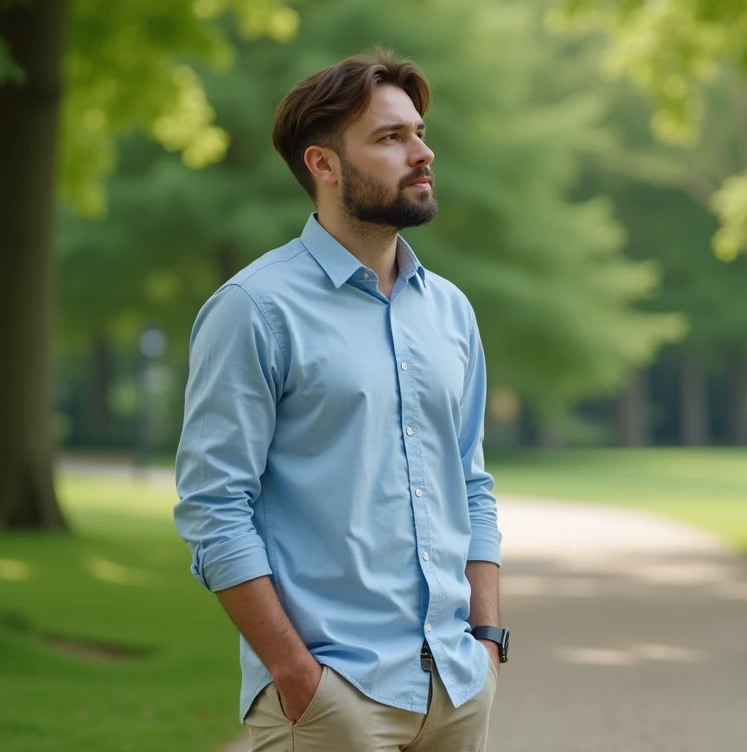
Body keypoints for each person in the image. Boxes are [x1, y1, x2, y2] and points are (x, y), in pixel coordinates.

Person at [173, 49, 509, 752]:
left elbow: (472, 484)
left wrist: (486, 639)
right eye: (391, 138)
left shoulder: (450, 311)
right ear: (323, 165)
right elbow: (213, 509)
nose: (423, 152)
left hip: (454, 688)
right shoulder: (254, 309)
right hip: (332, 701)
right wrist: (298, 675)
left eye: (418, 132)